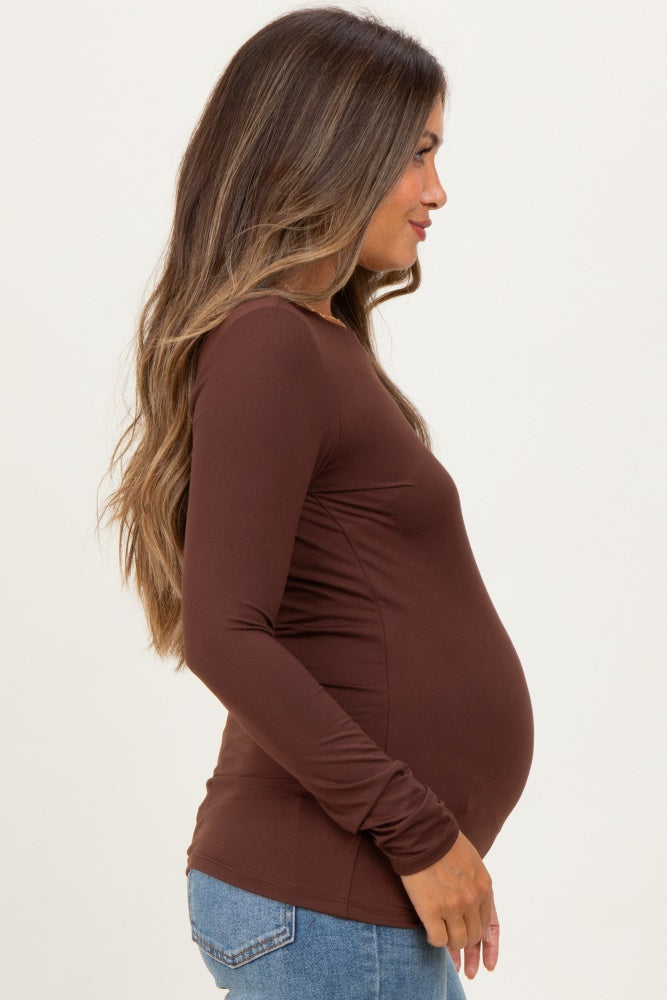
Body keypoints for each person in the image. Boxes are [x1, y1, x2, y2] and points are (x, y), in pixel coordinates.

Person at [98, 6, 534, 997]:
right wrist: (420, 832)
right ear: (331, 147)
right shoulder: (271, 342)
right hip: (333, 905)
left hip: (349, 906)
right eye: (416, 153)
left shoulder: (312, 340)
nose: (436, 190)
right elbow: (224, 634)